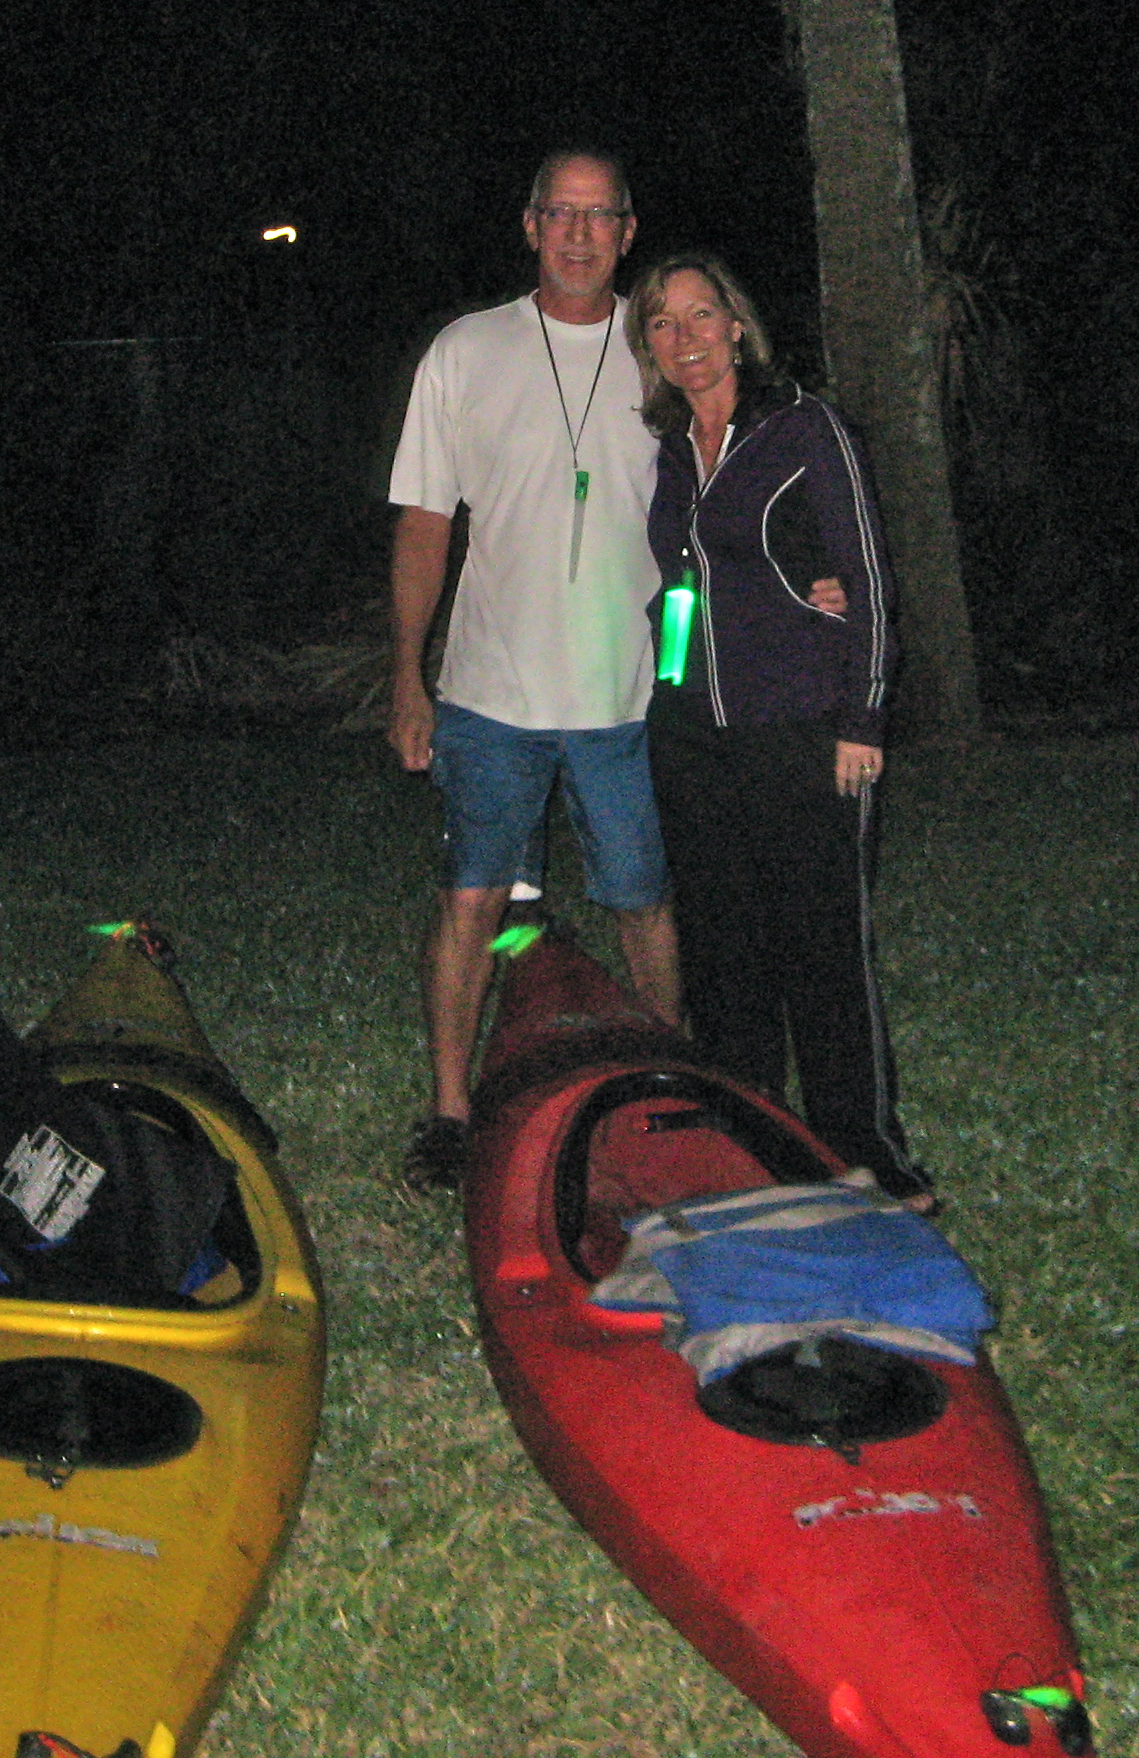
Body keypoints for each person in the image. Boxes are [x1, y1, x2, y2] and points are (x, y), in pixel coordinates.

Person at [386, 150, 682, 1191]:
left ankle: (671, 1082)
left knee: (643, 900)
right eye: (562, 213)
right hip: (489, 692)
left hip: (627, 694)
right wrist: (408, 676)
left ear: (629, 232)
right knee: (471, 898)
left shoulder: (664, 351)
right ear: (529, 225)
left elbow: (733, 494)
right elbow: (425, 525)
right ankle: (450, 1113)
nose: (580, 234)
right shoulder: (466, 351)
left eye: (601, 217)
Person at [624, 253, 936, 1209]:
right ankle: (748, 1140)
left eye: (700, 315)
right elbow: (685, 583)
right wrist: (670, 672)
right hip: (693, 738)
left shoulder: (806, 428)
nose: (685, 338)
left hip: (803, 728)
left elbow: (868, 577)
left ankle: (866, 1151)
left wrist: (863, 715)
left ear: (736, 324)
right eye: (663, 323)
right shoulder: (670, 447)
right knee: (724, 951)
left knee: (822, 946)